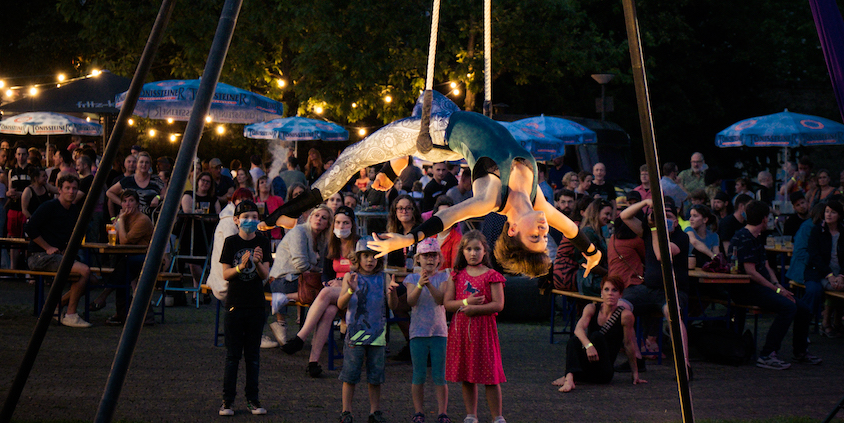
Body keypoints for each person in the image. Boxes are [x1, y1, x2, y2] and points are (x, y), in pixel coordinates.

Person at [258, 93, 602, 279]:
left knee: (352, 157)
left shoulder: (489, 198)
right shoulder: (538, 200)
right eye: (544, 238)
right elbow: (573, 230)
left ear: (512, 230)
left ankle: (290, 213)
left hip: (437, 132)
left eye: (535, 238)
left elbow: (449, 216)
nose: (543, 231)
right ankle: (396, 166)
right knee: (428, 96)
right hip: (450, 143)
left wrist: (408, 239)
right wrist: (592, 253)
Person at [728, 200, 821, 369]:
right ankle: (767, 354)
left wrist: (778, 285)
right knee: (788, 307)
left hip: (761, 287)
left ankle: (800, 351)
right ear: (764, 219)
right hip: (746, 288)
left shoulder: (756, 237)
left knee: (803, 308)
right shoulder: (743, 237)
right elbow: (751, 272)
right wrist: (776, 289)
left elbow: (766, 266)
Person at [443, 230, 510, 423]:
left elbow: (499, 305)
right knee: (467, 374)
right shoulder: (456, 275)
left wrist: (476, 310)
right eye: (469, 249)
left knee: (490, 375)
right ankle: (470, 416)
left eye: (477, 249)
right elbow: (448, 303)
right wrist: (466, 303)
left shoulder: (492, 275)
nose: (473, 253)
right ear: (462, 251)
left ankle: (497, 418)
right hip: (462, 332)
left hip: (484, 332)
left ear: (484, 251)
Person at [620, 196, 690, 372]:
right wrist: (645, 203)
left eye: (668, 217)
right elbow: (624, 216)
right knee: (619, 307)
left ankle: (684, 364)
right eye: (661, 216)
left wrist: (654, 229)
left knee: (672, 314)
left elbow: (661, 255)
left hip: (673, 291)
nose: (664, 220)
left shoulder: (681, 237)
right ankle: (636, 358)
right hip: (649, 289)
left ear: (676, 221)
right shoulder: (649, 231)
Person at [218, 200, 272, 416]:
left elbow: (265, 275)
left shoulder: (263, 242)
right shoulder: (231, 242)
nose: (250, 221)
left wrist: (257, 262)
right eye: (246, 217)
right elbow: (226, 274)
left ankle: (253, 400)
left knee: (253, 357)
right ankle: (227, 401)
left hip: (256, 305)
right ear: (236, 220)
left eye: (254, 217)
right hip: (235, 304)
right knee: (233, 356)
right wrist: (241, 266)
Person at [273, 206, 341, 377]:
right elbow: (301, 265)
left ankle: (307, 350)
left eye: (324, 218)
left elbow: (323, 266)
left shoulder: (323, 239)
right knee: (325, 293)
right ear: (310, 217)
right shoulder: (299, 232)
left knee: (329, 306)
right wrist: (320, 271)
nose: (319, 219)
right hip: (285, 279)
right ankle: (285, 297)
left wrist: (321, 272)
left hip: (304, 279)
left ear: (328, 224)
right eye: (316, 215)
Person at [336, 237, 396, 423]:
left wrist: (392, 294)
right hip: (355, 334)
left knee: (375, 377)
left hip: (377, 335)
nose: (370, 260)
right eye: (366, 256)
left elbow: (393, 306)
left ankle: (374, 411)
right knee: (350, 375)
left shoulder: (384, 277)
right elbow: (340, 304)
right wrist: (350, 291)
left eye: (374, 256)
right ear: (358, 258)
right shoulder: (350, 277)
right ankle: (346, 411)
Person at [552, 275, 644, 392]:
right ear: (601, 293)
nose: (610, 293)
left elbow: (628, 344)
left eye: (614, 290)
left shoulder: (625, 315)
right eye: (606, 289)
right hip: (587, 367)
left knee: (596, 336)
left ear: (620, 295)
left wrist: (635, 373)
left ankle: (571, 376)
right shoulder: (592, 308)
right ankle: (569, 379)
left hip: (603, 373)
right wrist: (588, 346)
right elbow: (578, 329)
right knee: (574, 340)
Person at [24, 175, 91, 328]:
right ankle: (71, 314)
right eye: (67, 188)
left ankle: (54, 306)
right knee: (84, 271)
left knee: (91, 279)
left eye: (74, 188)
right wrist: (47, 247)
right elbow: (29, 228)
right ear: (59, 190)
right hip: (39, 256)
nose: (71, 192)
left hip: (58, 255)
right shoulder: (49, 206)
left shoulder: (73, 210)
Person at [801, 199, 844, 342]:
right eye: (827, 211)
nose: (828, 215)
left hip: (840, 275)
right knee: (813, 292)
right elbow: (815, 256)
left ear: (839, 215)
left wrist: (842, 275)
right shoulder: (817, 230)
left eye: (832, 212)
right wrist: (829, 275)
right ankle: (802, 331)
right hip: (818, 273)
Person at [404, 238, 451, 423]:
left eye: (433, 256)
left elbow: (441, 300)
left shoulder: (444, 278)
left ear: (439, 258)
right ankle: (418, 411)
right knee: (419, 374)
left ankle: (442, 412)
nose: (430, 259)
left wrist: (429, 284)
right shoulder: (412, 279)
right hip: (418, 333)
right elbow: (410, 301)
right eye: (425, 256)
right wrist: (420, 285)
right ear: (418, 259)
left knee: (440, 374)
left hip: (439, 333)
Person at [105, 189, 155, 326]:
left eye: (131, 201)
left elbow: (124, 242)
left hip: (146, 258)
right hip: (130, 257)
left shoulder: (142, 220)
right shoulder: (124, 218)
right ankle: (121, 313)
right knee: (123, 266)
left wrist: (120, 222)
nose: (127, 204)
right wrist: (118, 222)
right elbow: (114, 237)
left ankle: (106, 296)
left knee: (125, 266)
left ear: (137, 203)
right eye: (124, 201)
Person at [106, 151, 162, 218]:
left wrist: (158, 197)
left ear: (150, 165)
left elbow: (166, 194)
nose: (144, 164)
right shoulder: (128, 180)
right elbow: (109, 192)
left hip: (151, 219)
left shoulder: (156, 179)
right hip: (130, 219)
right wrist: (123, 204)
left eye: (147, 162)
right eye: (141, 162)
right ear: (137, 164)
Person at [685, 204, 719, 268]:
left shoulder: (713, 235)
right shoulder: (689, 230)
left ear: (705, 220)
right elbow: (694, 242)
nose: (691, 219)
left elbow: (716, 254)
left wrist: (716, 259)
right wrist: (712, 256)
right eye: (691, 216)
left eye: (695, 216)